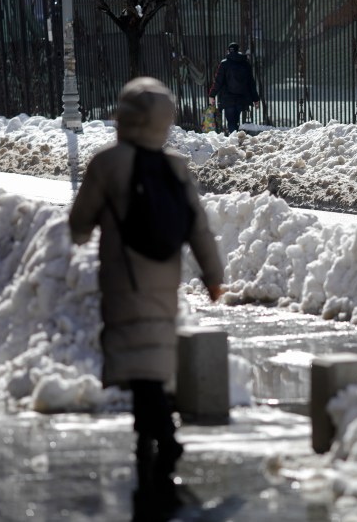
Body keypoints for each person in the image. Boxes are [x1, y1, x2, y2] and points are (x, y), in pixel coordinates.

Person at [68, 77, 224, 521]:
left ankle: (162, 437)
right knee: (151, 356)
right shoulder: (175, 166)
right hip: (163, 278)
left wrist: (80, 233)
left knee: (140, 365)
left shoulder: (107, 163)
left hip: (124, 274)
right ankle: (147, 437)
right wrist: (213, 276)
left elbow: (80, 220)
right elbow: (198, 225)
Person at [208, 42, 260, 135]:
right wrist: (256, 99)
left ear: (228, 51)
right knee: (235, 121)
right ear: (238, 50)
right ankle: (235, 138)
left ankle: (234, 139)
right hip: (241, 98)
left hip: (227, 98)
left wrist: (212, 95)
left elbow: (218, 82)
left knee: (231, 121)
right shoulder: (246, 64)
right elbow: (251, 83)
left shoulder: (224, 64)